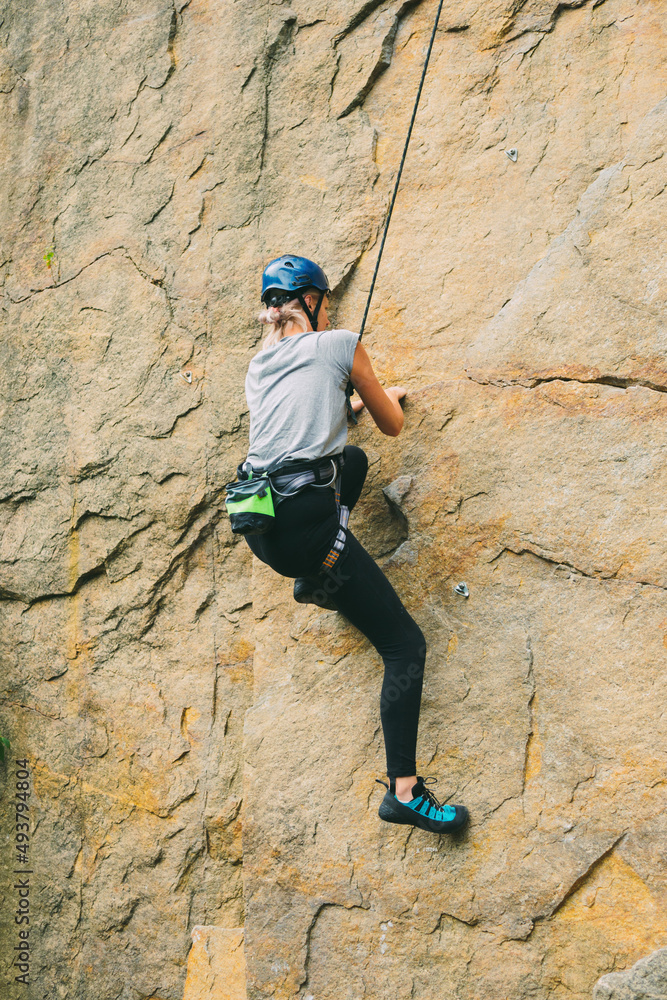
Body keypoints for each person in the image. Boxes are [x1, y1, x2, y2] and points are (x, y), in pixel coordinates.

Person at [239, 254, 469, 834]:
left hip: (264, 529)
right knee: (405, 646)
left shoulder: (257, 367)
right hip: (312, 533)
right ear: (313, 301)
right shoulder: (341, 343)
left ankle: (314, 574)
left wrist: (348, 406)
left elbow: (303, 428)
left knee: (354, 459)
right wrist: (374, 394)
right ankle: (405, 792)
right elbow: (394, 423)